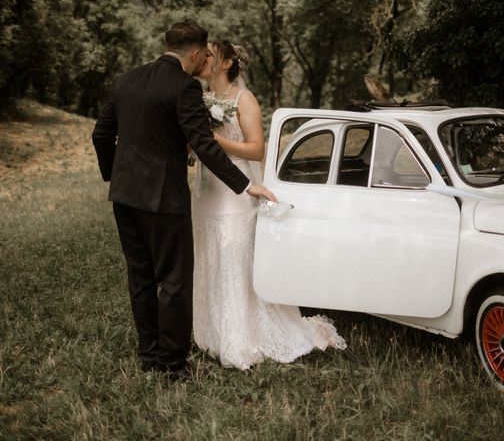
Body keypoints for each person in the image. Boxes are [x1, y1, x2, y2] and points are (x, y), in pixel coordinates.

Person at [92, 22, 276, 380]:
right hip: (164, 198)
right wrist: (245, 185)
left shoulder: (126, 80)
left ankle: (149, 356)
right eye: (203, 56)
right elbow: (204, 145)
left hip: (125, 196)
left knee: (141, 276)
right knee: (174, 280)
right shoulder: (184, 87)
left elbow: (101, 133)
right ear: (194, 54)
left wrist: (116, 174)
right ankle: (173, 365)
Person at [191, 40, 346, 370]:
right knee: (210, 254)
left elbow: (257, 149)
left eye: (208, 55)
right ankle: (213, 334)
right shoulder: (200, 100)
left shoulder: (243, 99)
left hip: (237, 190)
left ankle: (242, 336)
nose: (202, 60)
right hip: (206, 190)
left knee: (234, 257)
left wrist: (212, 139)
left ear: (226, 62)